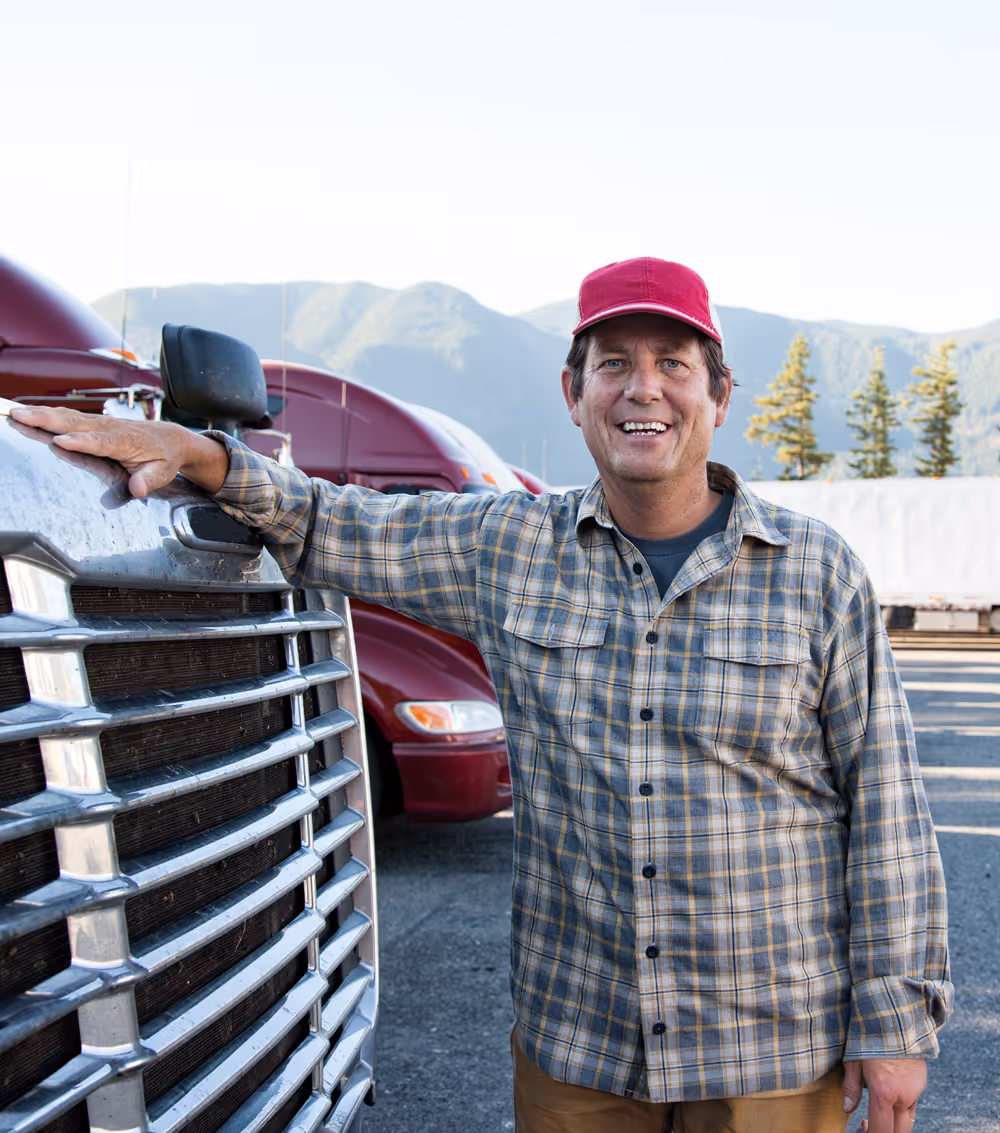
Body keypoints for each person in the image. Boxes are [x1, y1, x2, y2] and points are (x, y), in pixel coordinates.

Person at [12, 257, 952, 1133]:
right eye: (613, 363)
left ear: (718, 394)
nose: (644, 388)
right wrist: (200, 454)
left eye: (673, 363)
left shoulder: (815, 572)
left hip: (775, 1052)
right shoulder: (509, 547)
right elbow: (329, 521)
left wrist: (896, 1020)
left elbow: (888, 806)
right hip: (581, 1045)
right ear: (574, 393)